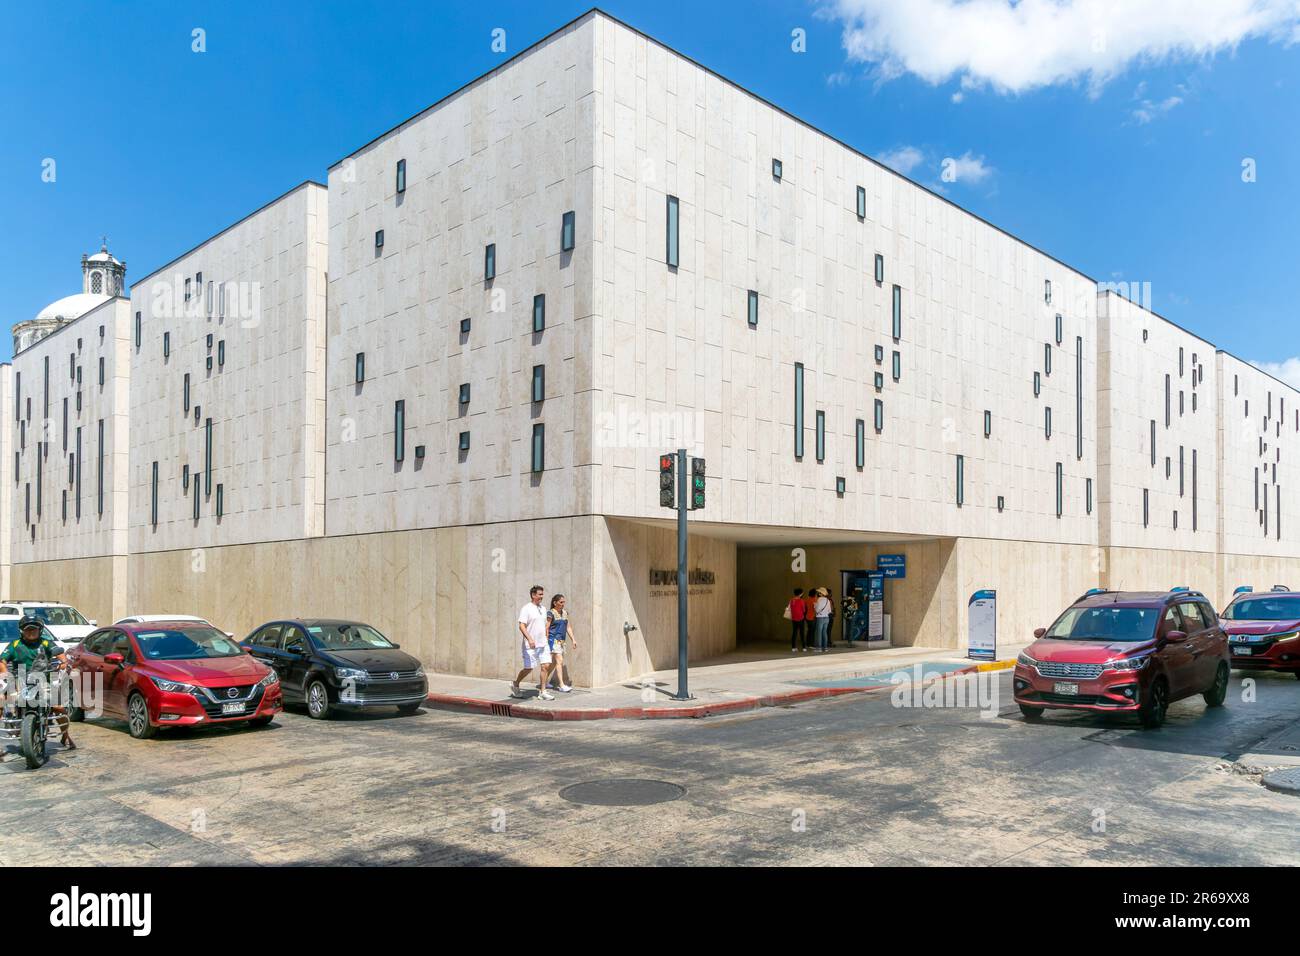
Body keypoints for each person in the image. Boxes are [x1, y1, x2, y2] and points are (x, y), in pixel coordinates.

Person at [0, 617, 76, 750]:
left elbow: (61, 656)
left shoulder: (46, 643)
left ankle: (65, 735)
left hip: (43, 682)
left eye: (34, 629)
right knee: (1, 702)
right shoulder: (15, 644)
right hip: (19, 682)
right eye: (27, 629)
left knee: (58, 707)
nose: (31, 632)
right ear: (22, 631)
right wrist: (5, 673)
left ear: (40, 630)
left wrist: (63, 663)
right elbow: (2, 661)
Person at [511, 586, 554, 700]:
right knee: (529, 668)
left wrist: (546, 636)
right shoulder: (526, 608)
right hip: (530, 644)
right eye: (540, 594)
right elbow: (521, 625)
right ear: (533, 595)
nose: (542, 596)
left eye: (542, 594)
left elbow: (544, 625)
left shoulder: (543, 609)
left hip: (543, 643)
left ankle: (543, 691)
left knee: (546, 665)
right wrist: (530, 639)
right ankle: (516, 683)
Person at [545, 594, 577, 693]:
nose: (563, 604)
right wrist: (546, 641)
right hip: (553, 640)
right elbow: (547, 627)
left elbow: (568, 627)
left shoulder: (565, 613)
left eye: (564, 602)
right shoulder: (550, 613)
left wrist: (573, 639)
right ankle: (562, 685)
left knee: (554, 663)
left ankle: (544, 681)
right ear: (555, 603)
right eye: (561, 602)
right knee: (559, 660)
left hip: (561, 642)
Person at [787, 588, 808, 652]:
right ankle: (804, 647)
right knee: (802, 633)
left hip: (794, 619)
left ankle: (793, 647)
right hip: (801, 618)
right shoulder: (802, 601)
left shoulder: (791, 600)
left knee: (794, 633)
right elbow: (804, 610)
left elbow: (789, 608)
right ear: (800, 594)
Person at [812, 587, 832, 653]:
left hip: (820, 618)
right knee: (824, 633)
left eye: (819, 592)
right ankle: (825, 648)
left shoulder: (819, 599)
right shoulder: (828, 600)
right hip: (826, 618)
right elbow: (829, 611)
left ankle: (819, 648)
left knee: (819, 633)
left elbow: (817, 610)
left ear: (820, 593)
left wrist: (814, 606)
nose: (818, 593)